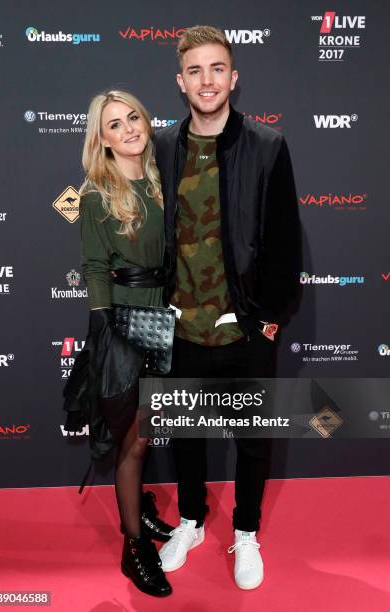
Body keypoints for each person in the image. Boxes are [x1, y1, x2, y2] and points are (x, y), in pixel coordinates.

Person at [154, 26, 301, 589]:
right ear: (180, 82)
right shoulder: (164, 148)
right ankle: (190, 521)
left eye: (217, 68)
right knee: (186, 436)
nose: (207, 80)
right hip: (181, 327)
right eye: (195, 70)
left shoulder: (267, 146)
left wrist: (267, 318)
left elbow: (285, 241)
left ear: (233, 78)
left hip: (244, 326)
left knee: (251, 438)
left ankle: (245, 532)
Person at [64, 90, 173, 597]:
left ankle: (140, 512)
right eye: (114, 125)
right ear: (101, 140)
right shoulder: (96, 195)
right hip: (127, 322)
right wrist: (103, 325)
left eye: (133, 117)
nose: (128, 128)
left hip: (166, 317)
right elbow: (93, 267)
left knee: (149, 430)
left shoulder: (160, 179)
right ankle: (134, 547)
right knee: (131, 441)